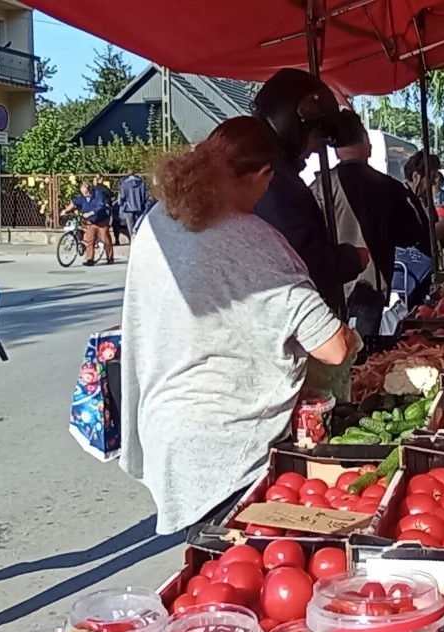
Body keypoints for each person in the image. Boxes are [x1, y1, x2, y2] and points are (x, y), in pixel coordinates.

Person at [121, 117, 357, 535]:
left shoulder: (157, 220)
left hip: (165, 425)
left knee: (207, 567)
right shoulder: (253, 239)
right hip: (228, 441)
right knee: (229, 566)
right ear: (263, 174)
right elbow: (332, 349)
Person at [252, 68, 369, 311]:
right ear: (291, 124)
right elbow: (303, 257)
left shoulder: (272, 174)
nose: (318, 150)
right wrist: (351, 259)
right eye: (318, 136)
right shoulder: (270, 180)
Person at [310, 111, 430, 336]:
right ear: (367, 142)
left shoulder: (320, 186)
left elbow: (307, 238)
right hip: (371, 285)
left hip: (328, 289)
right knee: (363, 356)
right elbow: (411, 234)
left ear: (335, 149)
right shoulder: (389, 187)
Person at [61, 183, 114, 266]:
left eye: (86, 192)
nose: (84, 195)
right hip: (90, 222)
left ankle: (110, 258)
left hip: (101, 221)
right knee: (90, 240)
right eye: (83, 193)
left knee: (105, 239)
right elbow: (74, 203)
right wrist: (66, 210)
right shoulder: (82, 196)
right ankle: (90, 259)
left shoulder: (98, 194)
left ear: (90, 189)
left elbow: (100, 206)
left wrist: (90, 213)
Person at [118, 171, 149, 238]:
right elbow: (144, 196)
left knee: (130, 226)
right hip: (139, 206)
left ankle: (132, 239)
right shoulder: (141, 183)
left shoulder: (125, 184)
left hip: (128, 208)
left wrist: (121, 204)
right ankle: (139, 238)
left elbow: (122, 196)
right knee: (139, 224)